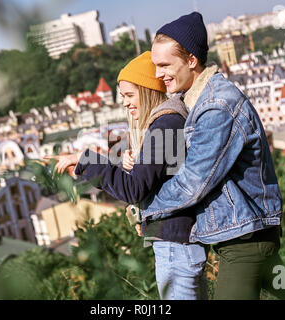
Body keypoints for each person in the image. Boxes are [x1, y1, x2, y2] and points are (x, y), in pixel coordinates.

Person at [140, 12, 285, 300]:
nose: (158, 74)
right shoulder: (198, 100)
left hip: (246, 241)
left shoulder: (216, 106)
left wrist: (147, 208)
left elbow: (193, 183)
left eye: (164, 65)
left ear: (192, 60)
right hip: (247, 233)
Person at [49, 51, 210, 300]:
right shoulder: (164, 124)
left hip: (176, 246)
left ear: (146, 91)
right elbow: (159, 181)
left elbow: (134, 188)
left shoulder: (166, 125)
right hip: (177, 243)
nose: (124, 102)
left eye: (129, 95)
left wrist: (85, 160)